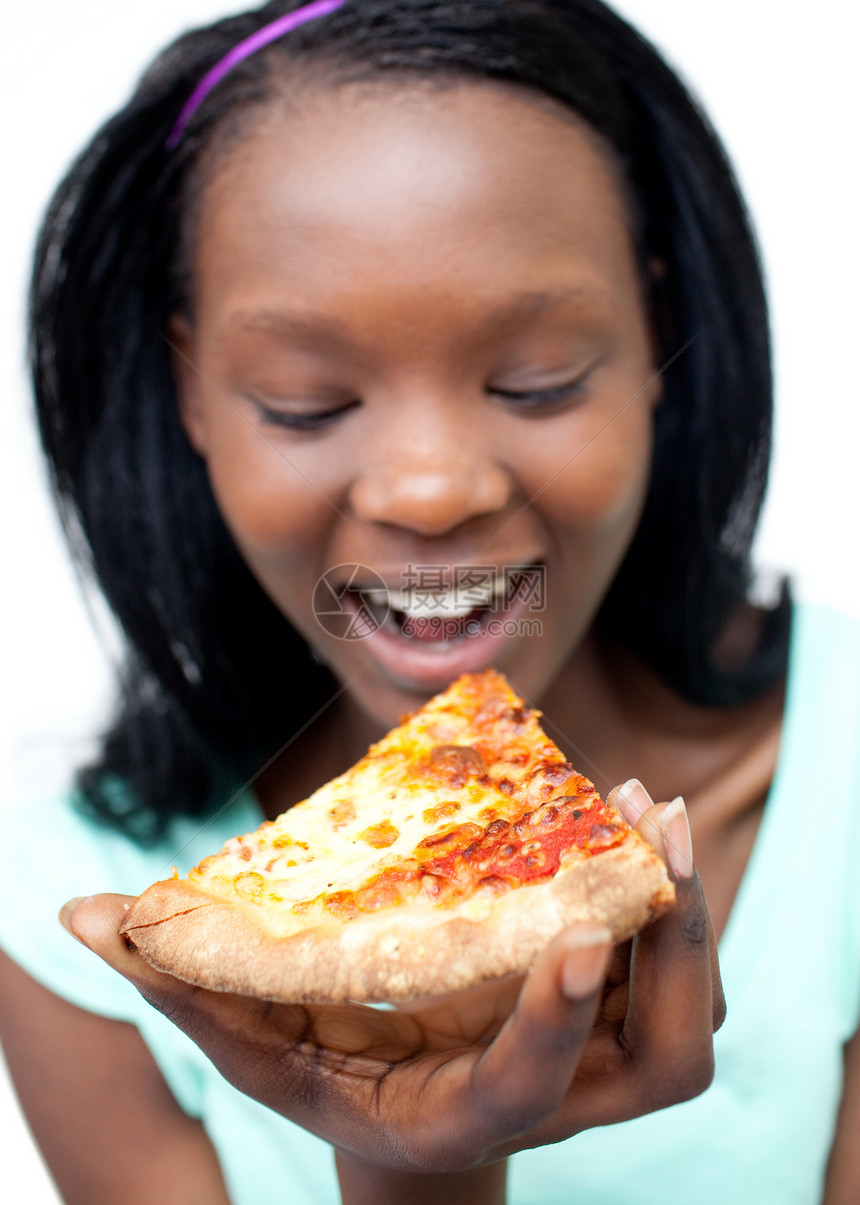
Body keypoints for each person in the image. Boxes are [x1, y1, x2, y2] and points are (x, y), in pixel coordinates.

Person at [0, 0, 858, 1202]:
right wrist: (406, 1162)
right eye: (306, 401)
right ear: (190, 387)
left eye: (535, 378)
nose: (430, 488)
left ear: (656, 328)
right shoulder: (87, 930)